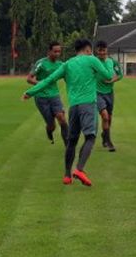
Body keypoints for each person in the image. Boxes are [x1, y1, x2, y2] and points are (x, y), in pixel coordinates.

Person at [23, 39, 114, 186]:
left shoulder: (67, 64)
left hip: (74, 108)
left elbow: (49, 80)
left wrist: (30, 92)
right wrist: (106, 62)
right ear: (88, 49)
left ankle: (67, 175)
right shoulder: (92, 60)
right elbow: (108, 76)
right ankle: (79, 169)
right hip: (88, 105)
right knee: (90, 137)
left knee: (72, 141)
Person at [27, 42, 69, 145]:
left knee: (62, 119)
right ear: (49, 51)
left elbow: (68, 77)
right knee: (52, 125)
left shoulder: (61, 65)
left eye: (59, 51)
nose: (57, 54)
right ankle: (49, 130)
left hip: (54, 96)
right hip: (41, 97)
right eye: (55, 51)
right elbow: (29, 78)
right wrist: (42, 83)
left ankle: (68, 145)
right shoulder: (41, 63)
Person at [95, 40, 123, 152]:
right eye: (100, 50)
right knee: (105, 116)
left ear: (107, 50)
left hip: (109, 93)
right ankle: (109, 141)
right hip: (97, 92)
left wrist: (112, 79)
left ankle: (104, 136)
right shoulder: (94, 62)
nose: (102, 52)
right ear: (97, 50)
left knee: (109, 118)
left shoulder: (112, 62)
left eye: (104, 50)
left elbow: (120, 75)